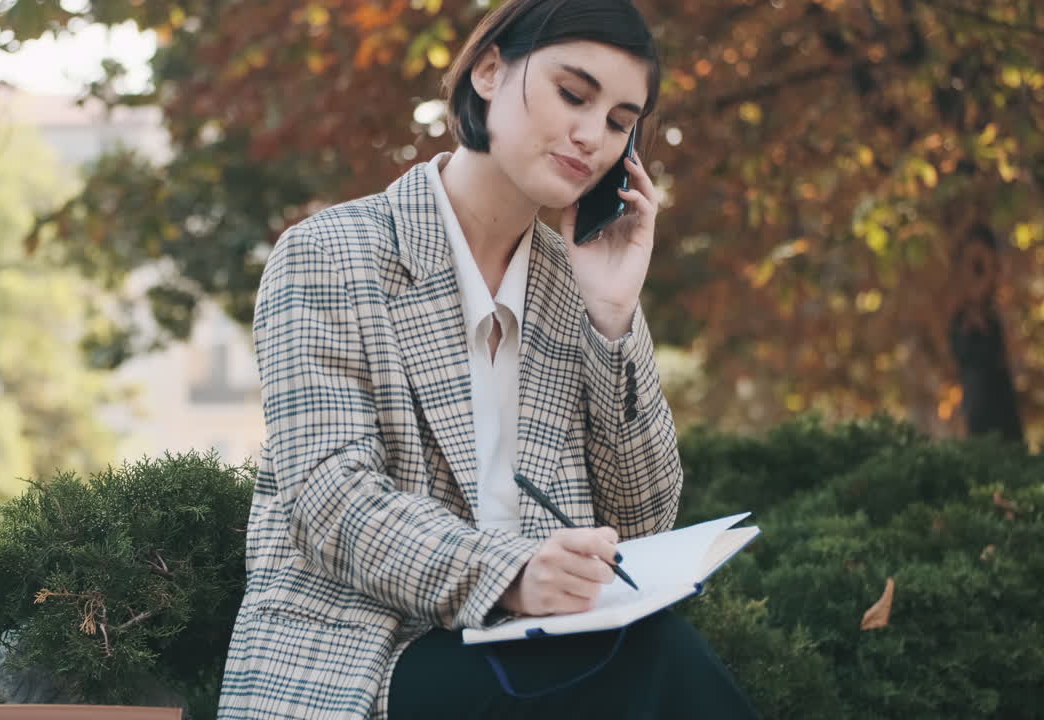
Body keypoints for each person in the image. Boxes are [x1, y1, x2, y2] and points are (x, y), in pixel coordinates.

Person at [217, 0, 758, 717]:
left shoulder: (578, 285)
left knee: (651, 652)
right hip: (366, 660)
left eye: (621, 122)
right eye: (573, 94)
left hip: (542, 648)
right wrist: (512, 573)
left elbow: (645, 519)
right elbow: (330, 500)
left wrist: (613, 321)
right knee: (658, 661)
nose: (591, 135)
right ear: (490, 70)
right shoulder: (330, 254)